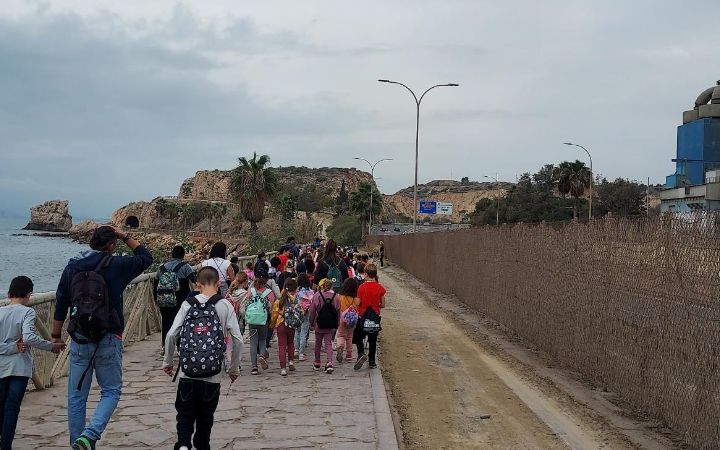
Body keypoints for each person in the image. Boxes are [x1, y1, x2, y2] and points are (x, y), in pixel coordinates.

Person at [53, 226, 152, 449]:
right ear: (111, 245)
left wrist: (56, 336)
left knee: (76, 395)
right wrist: (124, 235)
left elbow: (61, 302)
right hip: (109, 337)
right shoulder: (117, 265)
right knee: (111, 391)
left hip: (79, 337)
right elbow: (146, 257)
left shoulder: (73, 265)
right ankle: (89, 436)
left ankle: (78, 443)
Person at [163, 266, 242, 450]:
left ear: (197, 284)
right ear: (219, 283)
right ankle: (202, 445)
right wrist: (233, 368)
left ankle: (183, 444)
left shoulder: (187, 304)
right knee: (206, 416)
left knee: (184, 414)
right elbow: (237, 340)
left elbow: (171, 335)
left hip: (187, 372)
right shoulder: (225, 305)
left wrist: (168, 362)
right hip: (213, 375)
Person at [0, 276, 65, 450]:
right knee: (12, 409)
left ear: (8, 293)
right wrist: (51, 346)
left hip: (1, 368)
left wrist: (9, 348)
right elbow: (28, 337)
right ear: (29, 295)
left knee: (1, 407)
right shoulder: (27, 312)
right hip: (20, 368)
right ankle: (5, 446)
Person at [155, 245, 195, 355]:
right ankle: (179, 346)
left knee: (166, 323)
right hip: (181, 299)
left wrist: (156, 299)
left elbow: (155, 284)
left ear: (172, 254)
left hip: (164, 299)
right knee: (180, 322)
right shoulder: (185, 267)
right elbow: (194, 280)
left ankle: (165, 347)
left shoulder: (161, 267)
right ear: (182, 255)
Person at [353, 263, 386, 370]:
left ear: (366, 274)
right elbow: (383, 304)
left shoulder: (361, 287)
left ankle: (361, 353)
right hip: (375, 317)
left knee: (358, 336)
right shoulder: (380, 288)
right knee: (373, 340)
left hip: (362, 316)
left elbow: (357, 303)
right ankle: (372, 361)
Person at [309, 279, 340, 374]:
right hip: (330, 323)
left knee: (318, 343)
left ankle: (317, 362)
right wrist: (337, 322)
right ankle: (329, 362)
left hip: (319, 322)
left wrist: (311, 322)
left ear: (322, 285)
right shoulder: (336, 296)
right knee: (328, 343)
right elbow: (338, 310)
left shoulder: (317, 295)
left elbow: (313, 310)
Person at [246, 275, 274, 375]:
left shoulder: (251, 291)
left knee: (253, 342)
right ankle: (262, 355)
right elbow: (272, 308)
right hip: (263, 320)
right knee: (262, 340)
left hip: (252, 320)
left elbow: (246, 304)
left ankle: (254, 366)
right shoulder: (269, 293)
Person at [269, 279, 299, 376]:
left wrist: (272, 325)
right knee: (291, 343)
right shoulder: (295, 300)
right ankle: (291, 361)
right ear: (295, 289)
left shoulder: (279, 300)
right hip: (291, 325)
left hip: (281, 324)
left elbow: (274, 314)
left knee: (281, 346)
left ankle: (283, 368)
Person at [336, 278, 360, 363]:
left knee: (341, 335)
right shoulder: (356, 298)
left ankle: (340, 346)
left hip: (342, 319)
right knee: (349, 336)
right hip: (353, 320)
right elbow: (358, 308)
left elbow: (337, 307)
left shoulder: (340, 297)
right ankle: (349, 355)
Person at [294, 274, 313, 361]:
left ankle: (296, 350)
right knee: (304, 333)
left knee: (297, 331)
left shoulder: (297, 291)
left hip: (298, 312)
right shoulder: (310, 291)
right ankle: (301, 353)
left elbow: (294, 301)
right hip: (307, 312)